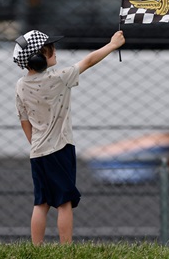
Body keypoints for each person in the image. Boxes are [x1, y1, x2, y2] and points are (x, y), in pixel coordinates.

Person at [13, 29, 125, 245]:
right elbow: (89, 61)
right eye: (50, 49)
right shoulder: (59, 78)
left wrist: (36, 144)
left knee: (41, 203)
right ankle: (66, 249)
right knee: (65, 202)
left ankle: (36, 249)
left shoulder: (20, 85)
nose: (54, 50)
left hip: (37, 153)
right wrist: (112, 45)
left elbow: (24, 121)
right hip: (60, 148)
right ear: (38, 57)